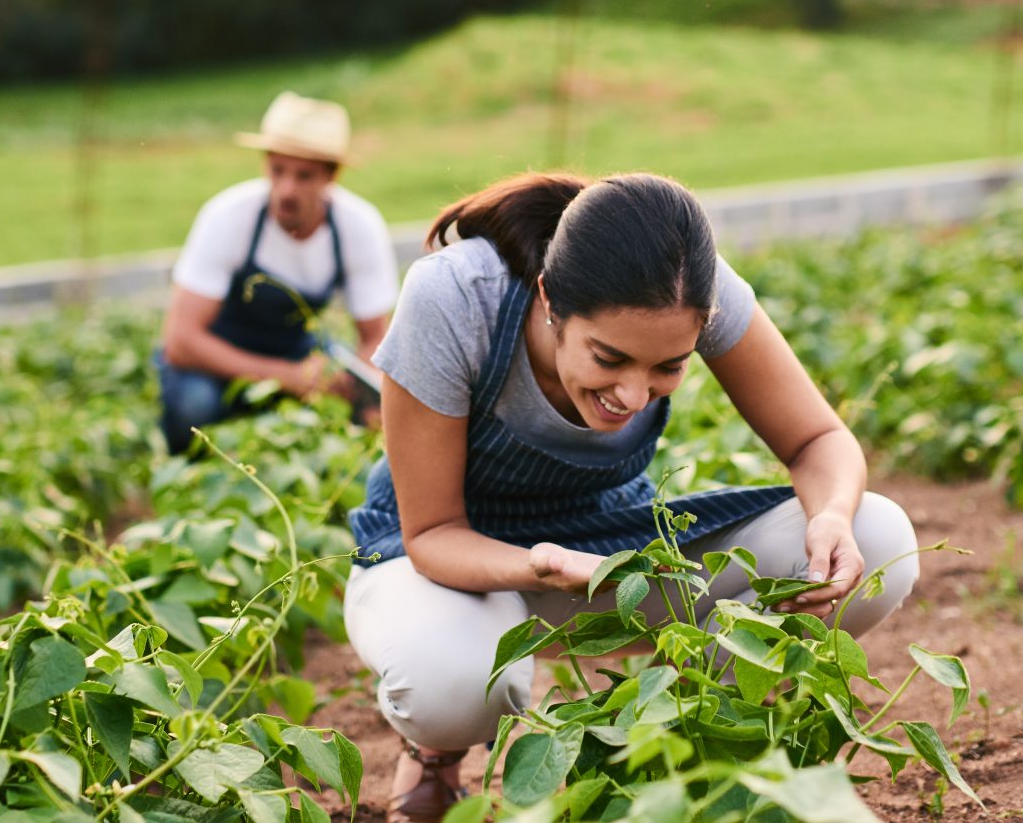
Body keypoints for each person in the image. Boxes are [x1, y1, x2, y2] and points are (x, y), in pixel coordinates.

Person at [343, 173, 920, 821]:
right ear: (549, 301)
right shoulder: (453, 296)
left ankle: (697, 743)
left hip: (612, 544)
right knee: (450, 684)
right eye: (609, 358)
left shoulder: (695, 288)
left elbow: (817, 438)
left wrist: (833, 517)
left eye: (668, 367)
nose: (634, 395)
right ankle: (433, 754)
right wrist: (544, 565)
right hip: (451, 563)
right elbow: (433, 533)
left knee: (880, 539)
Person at [156, 91, 399, 454]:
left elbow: (374, 339)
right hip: (212, 357)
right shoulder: (228, 217)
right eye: (278, 171)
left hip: (295, 351)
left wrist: (350, 383)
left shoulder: (357, 227)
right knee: (195, 407)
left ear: (332, 175)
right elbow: (181, 342)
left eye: (304, 176)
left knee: (362, 406)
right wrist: (284, 377)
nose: (287, 190)